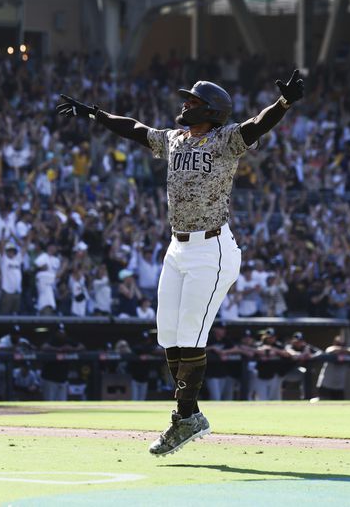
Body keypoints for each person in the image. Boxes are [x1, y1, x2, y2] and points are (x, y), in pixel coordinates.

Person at [57, 68, 304, 456]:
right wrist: (95, 114)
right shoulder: (174, 139)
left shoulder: (225, 139)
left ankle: (184, 418)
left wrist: (284, 103)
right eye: (186, 99)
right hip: (177, 248)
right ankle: (191, 415)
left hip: (212, 248)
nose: (184, 104)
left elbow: (257, 125)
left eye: (192, 101)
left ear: (210, 110)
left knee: (190, 335)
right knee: (168, 336)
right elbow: (136, 130)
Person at [0, 324, 34, 400]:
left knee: (5, 384)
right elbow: (1, 349)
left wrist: (30, 347)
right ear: (10, 334)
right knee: (0, 384)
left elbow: (32, 350)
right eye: (14, 334)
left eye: (18, 334)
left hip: (13, 367)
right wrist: (16, 346)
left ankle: (4, 397)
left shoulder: (23, 341)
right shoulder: (4, 340)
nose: (16, 336)